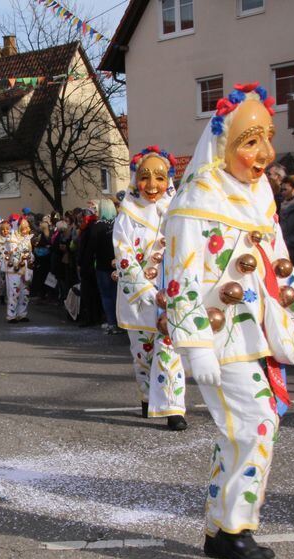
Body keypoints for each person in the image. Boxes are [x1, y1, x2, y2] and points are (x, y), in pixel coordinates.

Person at [163, 82, 294, 559]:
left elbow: (281, 267)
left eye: (266, 138)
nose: (264, 153)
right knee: (254, 426)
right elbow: (181, 275)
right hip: (220, 338)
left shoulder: (259, 194)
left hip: (258, 337)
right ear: (222, 144)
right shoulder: (196, 198)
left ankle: (218, 529)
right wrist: (194, 345)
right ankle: (233, 530)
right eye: (250, 141)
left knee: (243, 432)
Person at [112, 146, 188, 430]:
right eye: (145, 177)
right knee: (143, 353)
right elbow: (123, 255)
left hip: (171, 295)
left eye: (159, 177)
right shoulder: (127, 215)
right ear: (135, 179)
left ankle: (173, 408)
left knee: (170, 349)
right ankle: (147, 395)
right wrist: (144, 290)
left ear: (169, 178)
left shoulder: (179, 210)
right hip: (140, 297)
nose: (152, 185)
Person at [0, 215, 33, 322]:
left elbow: (29, 253)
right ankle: (11, 315)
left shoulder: (27, 239)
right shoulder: (11, 239)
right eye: (24, 228)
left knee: (25, 292)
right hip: (14, 269)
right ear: (18, 228)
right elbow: (13, 253)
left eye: (28, 227)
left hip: (25, 269)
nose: (27, 230)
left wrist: (31, 257)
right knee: (14, 292)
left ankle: (22, 313)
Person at [276, 175, 294, 269]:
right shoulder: (281, 204)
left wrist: (284, 242)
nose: (282, 192)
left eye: (285, 189)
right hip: (282, 248)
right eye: (281, 189)